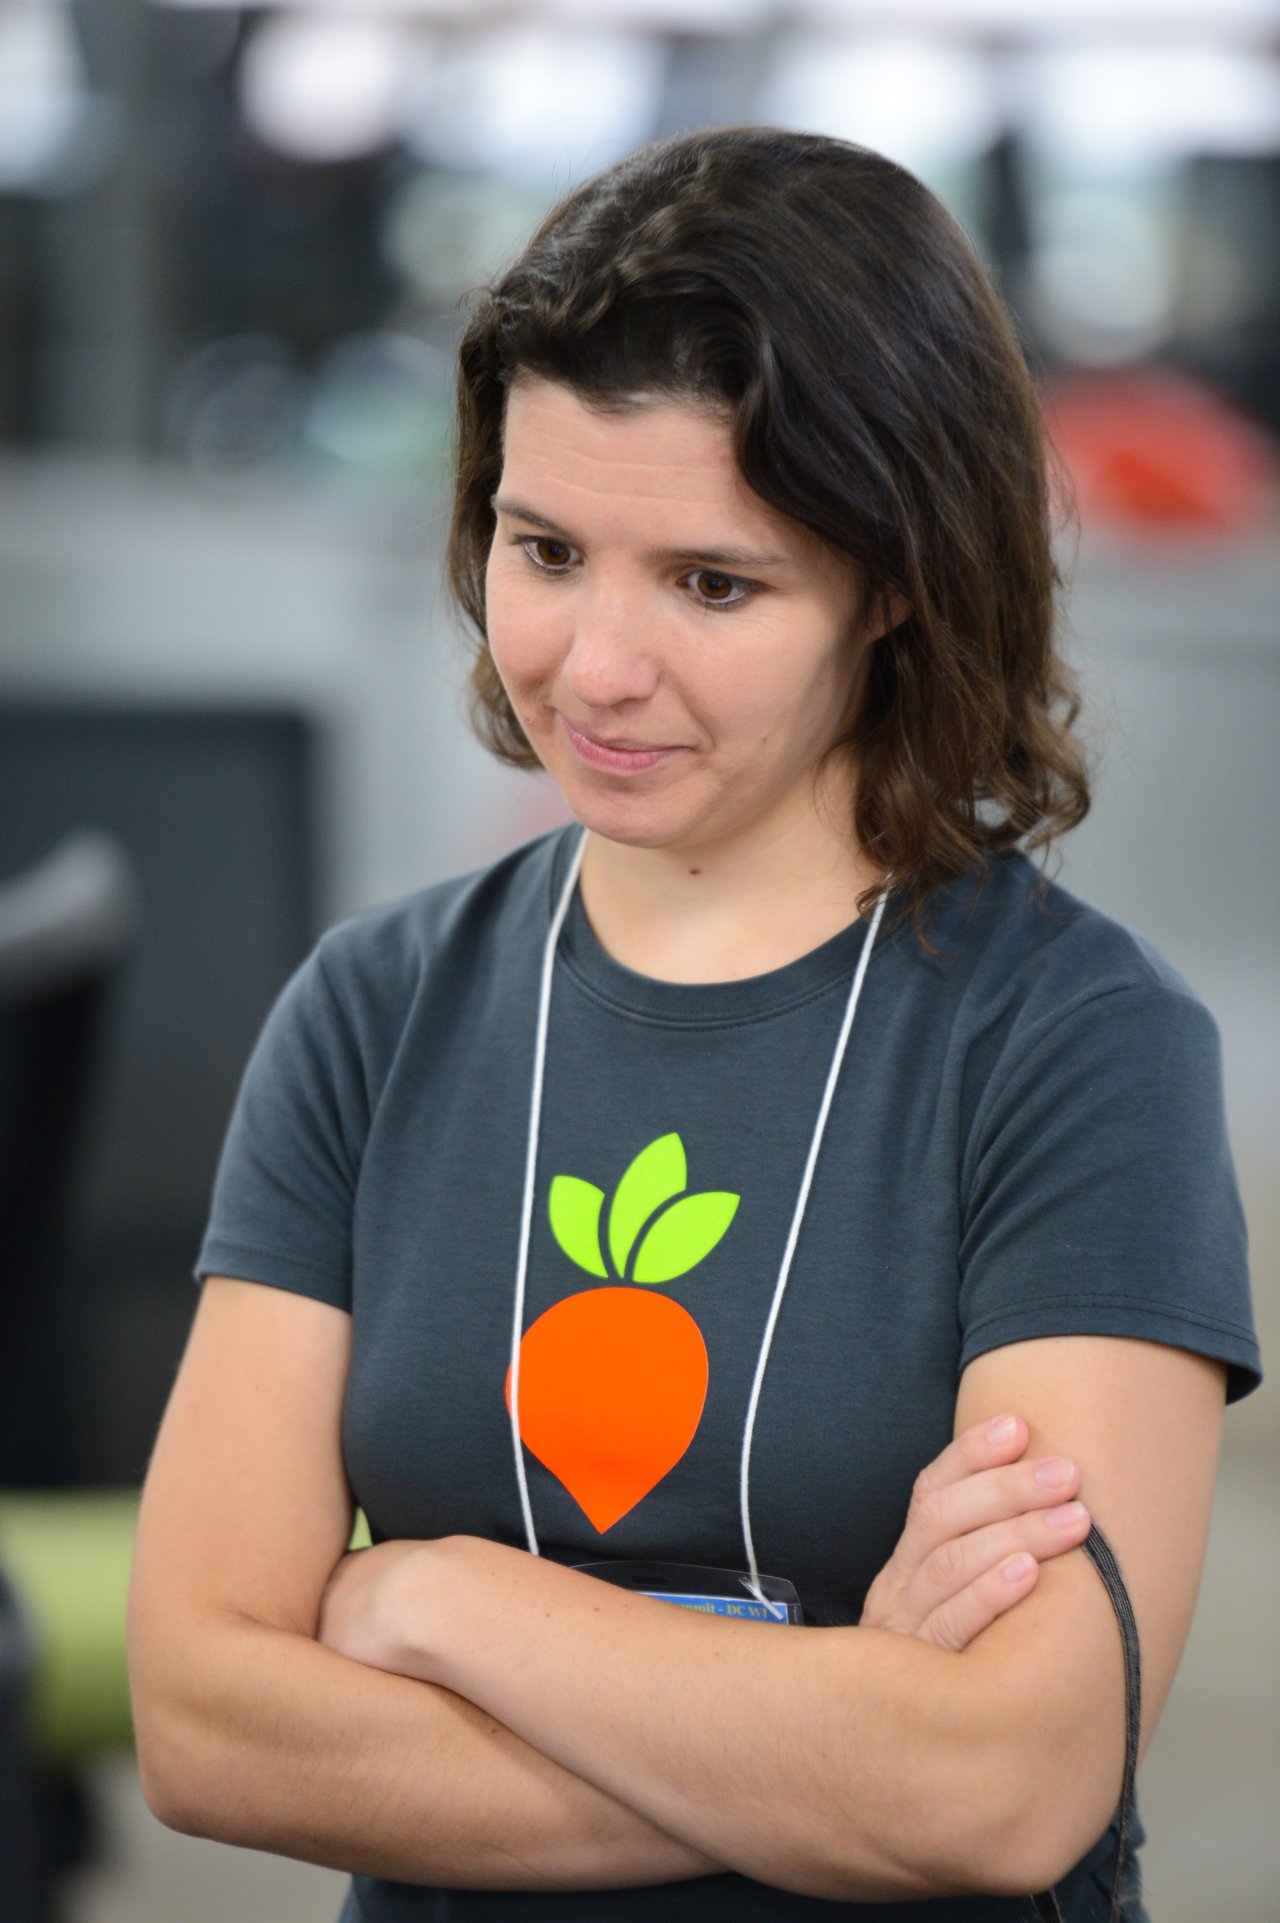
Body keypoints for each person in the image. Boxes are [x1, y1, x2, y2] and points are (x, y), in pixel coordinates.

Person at [126, 127, 1261, 1923]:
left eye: (713, 584)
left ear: (892, 582)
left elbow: (1006, 1788)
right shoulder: (372, 1011)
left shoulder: (1080, 1045)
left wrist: (443, 1604)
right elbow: (203, 1723)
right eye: (548, 548)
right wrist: (835, 1726)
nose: (596, 665)